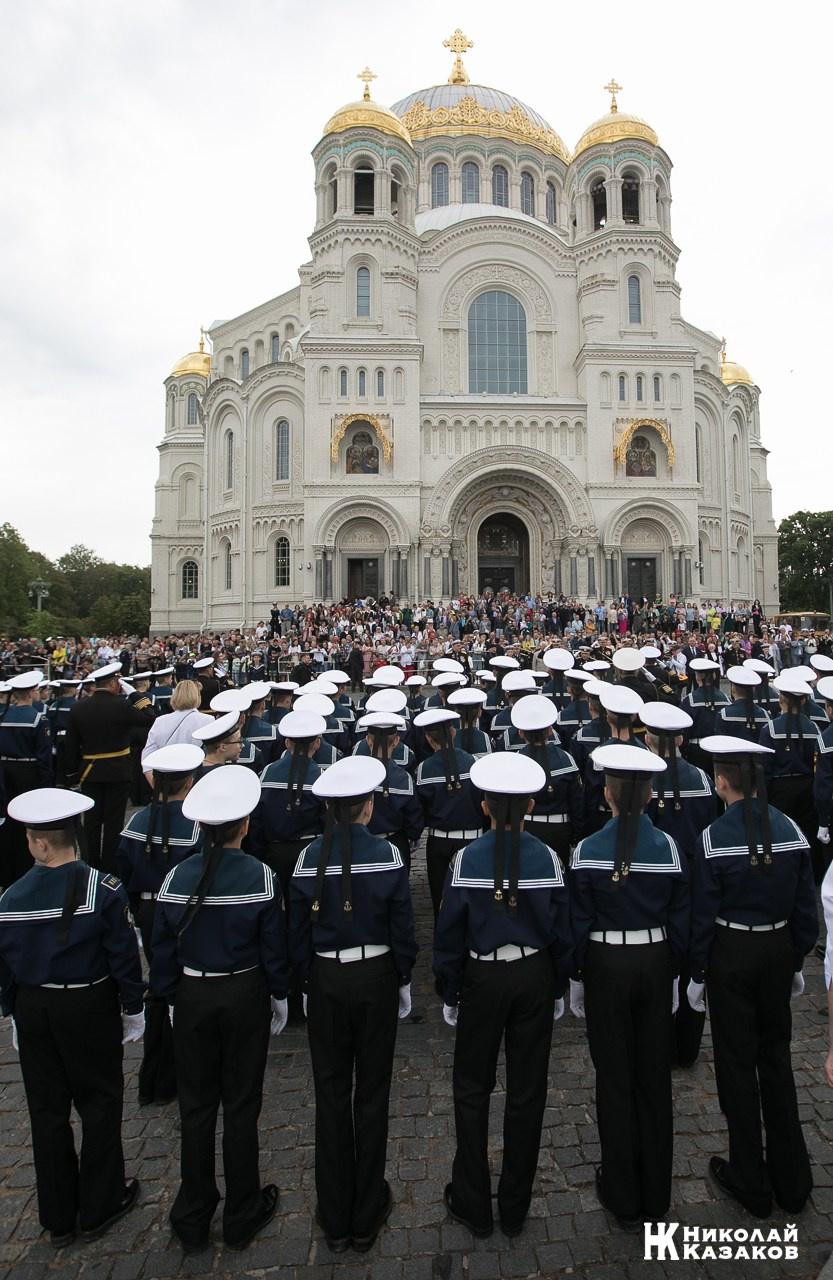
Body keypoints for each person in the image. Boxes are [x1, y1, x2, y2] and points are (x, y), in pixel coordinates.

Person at [150, 765, 290, 1254]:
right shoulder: (262, 876)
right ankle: (242, 1210)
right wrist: (280, 996)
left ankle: (193, 1213)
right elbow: (275, 949)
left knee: (196, 1107)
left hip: (193, 994)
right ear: (246, 825)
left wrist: (168, 999)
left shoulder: (174, 877)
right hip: (244, 992)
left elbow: (161, 949)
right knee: (241, 1105)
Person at [434, 753, 572, 1239]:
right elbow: (561, 931)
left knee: (472, 1088)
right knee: (527, 1089)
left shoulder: (465, 859)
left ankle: (474, 1202)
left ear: (484, 807)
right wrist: (558, 984)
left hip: (482, 976)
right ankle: (514, 1205)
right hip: (533, 973)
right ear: (531, 806)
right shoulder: (550, 858)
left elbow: (449, 932)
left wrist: (449, 990)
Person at [0, 789, 144, 1247]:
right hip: (87, 1002)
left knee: (46, 1110)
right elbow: (122, 956)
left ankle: (58, 1215)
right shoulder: (103, 889)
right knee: (100, 1101)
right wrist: (133, 1006)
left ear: (41, 844)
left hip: (34, 1007)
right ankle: (101, 1204)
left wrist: (12, 1014)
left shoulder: (10, 898)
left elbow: (4, 968)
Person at [288, 756, 418, 1253]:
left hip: (325, 975)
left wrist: (303, 978)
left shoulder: (306, 858)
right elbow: (402, 926)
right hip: (375, 973)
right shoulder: (387, 856)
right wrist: (403, 975)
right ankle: (366, 1208)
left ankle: (334, 1208)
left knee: (330, 1089)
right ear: (367, 809)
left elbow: (295, 930)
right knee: (373, 1091)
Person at [689, 736, 817, 1218]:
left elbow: (703, 913)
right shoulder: (791, 831)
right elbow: (806, 910)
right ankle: (793, 1178)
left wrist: (697, 970)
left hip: (731, 950)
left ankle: (750, 1176)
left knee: (737, 1064)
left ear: (722, 781)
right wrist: (795, 957)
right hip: (776, 947)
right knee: (777, 1060)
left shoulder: (713, 836)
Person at [569, 743, 689, 1231]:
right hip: (655, 959)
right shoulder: (669, 848)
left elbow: (578, 921)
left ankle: (622, 1192)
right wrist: (675, 970)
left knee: (614, 1077)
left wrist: (578, 975)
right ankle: (655, 1191)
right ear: (652, 795)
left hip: (605, 961)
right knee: (653, 1078)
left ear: (607, 796)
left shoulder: (585, 850)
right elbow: (681, 918)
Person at [116, 743, 204, 1107]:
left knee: (160, 985)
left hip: (150, 909)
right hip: (185, 912)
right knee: (184, 987)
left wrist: (138, 912)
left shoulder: (135, 821)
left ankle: (154, 1078)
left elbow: (123, 872)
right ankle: (181, 1072)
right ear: (189, 782)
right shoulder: (197, 822)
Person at [640, 702, 717, 1067]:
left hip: (655, 875)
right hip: (692, 873)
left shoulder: (645, 779)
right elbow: (709, 826)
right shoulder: (702, 778)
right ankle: (686, 1044)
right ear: (683, 740)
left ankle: (654, 1040)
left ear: (649, 741)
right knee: (691, 955)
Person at [64, 662, 155, 874]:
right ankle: (111, 866)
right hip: (118, 770)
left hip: (90, 771)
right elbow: (150, 718)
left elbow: (71, 746)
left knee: (92, 822)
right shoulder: (122, 706)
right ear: (115, 683)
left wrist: (71, 775)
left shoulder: (78, 707)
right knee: (114, 822)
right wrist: (135, 696)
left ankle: (90, 862)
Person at [0, 670, 54, 886]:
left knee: (8, 826)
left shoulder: (3, 717)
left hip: (5, 774)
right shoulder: (37, 719)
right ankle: (24, 873)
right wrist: (46, 787)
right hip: (29, 775)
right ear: (32, 693)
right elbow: (44, 758)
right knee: (27, 826)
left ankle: (7, 874)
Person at [140, 680, 212, 771]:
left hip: (167, 776)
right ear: (197, 697)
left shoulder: (160, 721)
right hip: (198, 775)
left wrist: (155, 784)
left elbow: (147, 758)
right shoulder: (208, 720)